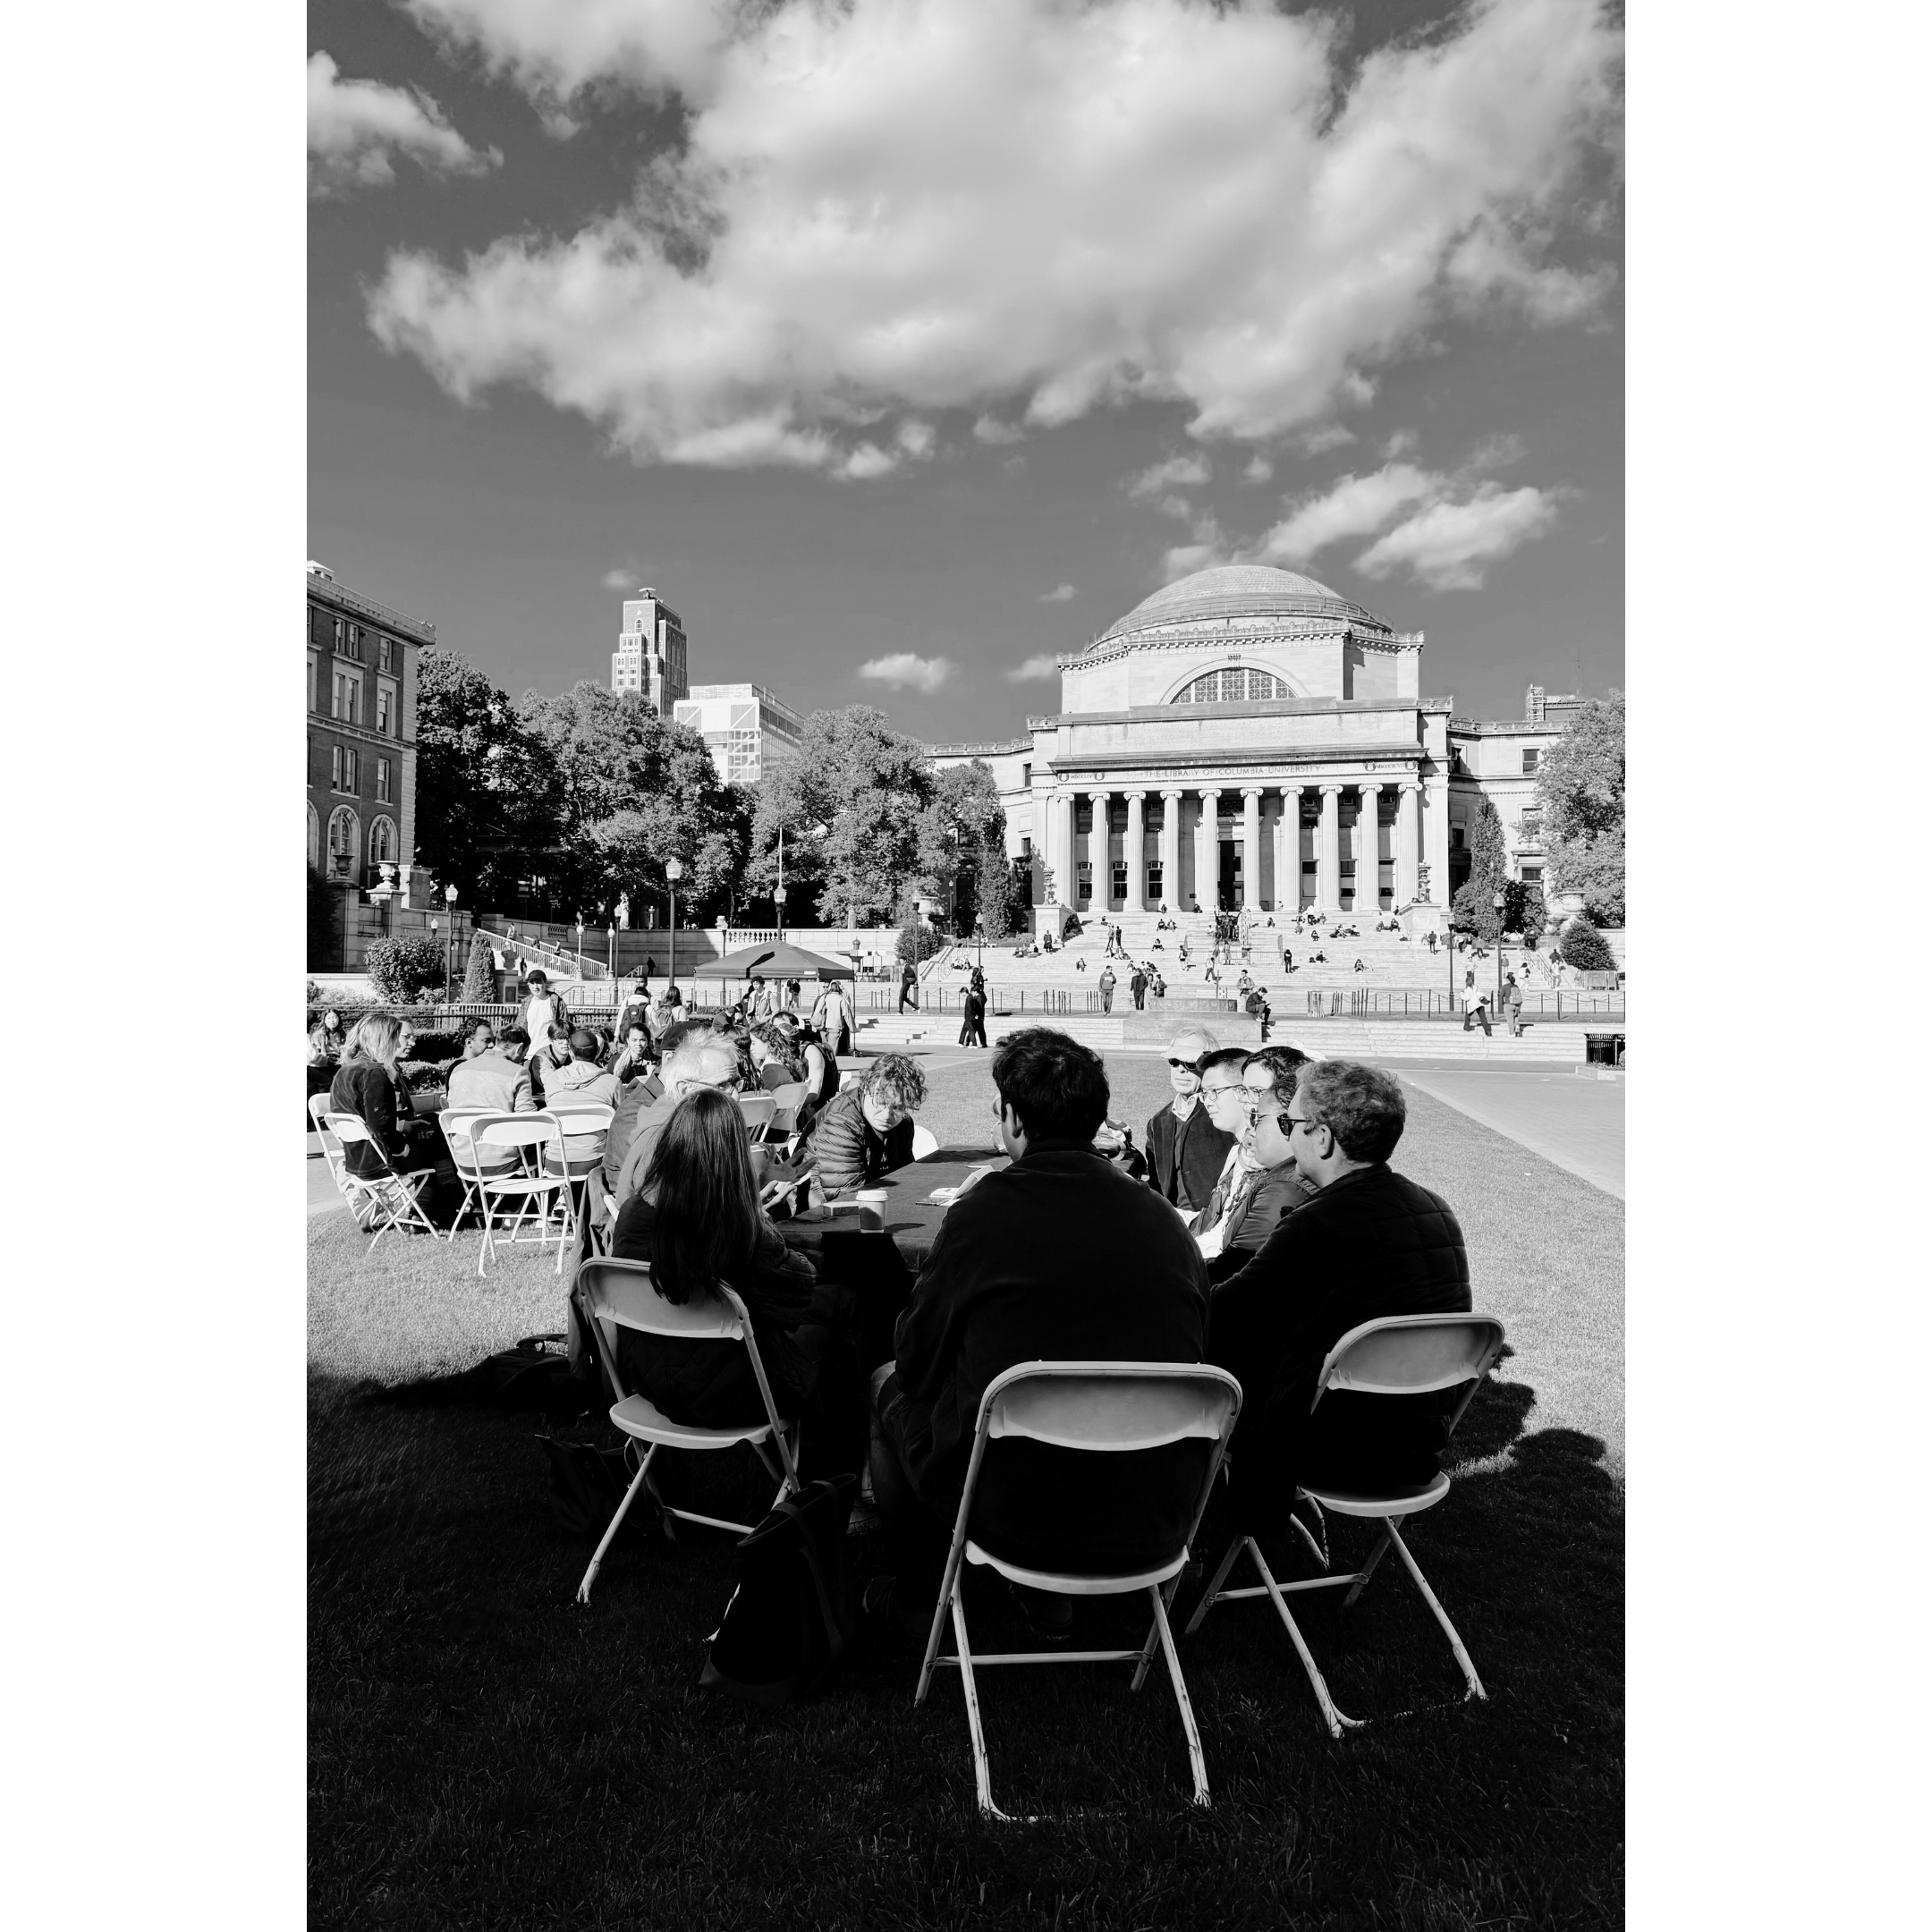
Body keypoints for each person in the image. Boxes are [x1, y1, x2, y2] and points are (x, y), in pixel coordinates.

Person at [863, 1029, 1211, 1642]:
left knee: (888, 1387)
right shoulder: (1164, 1222)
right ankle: (1044, 1599)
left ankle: (921, 1598)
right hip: (1154, 1502)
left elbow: (915, 1364)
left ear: (1015, 1120)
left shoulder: (983, 1215)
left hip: (1010, 1505)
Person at [1207, 1062, 1472, 1538]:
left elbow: (1221, 1318)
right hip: (1416, 1450)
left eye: (1289, 1124)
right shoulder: (1436, 1209)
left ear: (1324, 1138)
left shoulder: (1318, 1223)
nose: (1285, 1136)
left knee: (1200, 1363)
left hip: (1326, 1450)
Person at [603, 1087, 867, 1486]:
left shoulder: (636, 1211)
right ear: (731, 1152)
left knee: (819, 1314)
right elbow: (797, 1291)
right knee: (847, 1308)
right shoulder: (729, 1227)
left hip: (653, 1383)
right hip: (731, 1394)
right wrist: (758, 1216)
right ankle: (841, 1474)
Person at [1194, 1046, 1318, 1270]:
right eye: (1244, 1090)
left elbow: (1237, 1267)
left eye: (1258, 1091)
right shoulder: (1245, 1151)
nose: (1247, 1102)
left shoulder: (1286, 1180)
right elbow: (1218, 1226)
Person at [608, 1024, 744, 1211]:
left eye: (737, 1084)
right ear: (684, 1089)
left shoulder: (693, 1122)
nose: (735, 1096)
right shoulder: (662, 1139)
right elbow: (671, 1224)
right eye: (723, 1086)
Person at [328, 1011, 447, 1193]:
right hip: (381, 1162)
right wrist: (403, 1149)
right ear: (384, 1038)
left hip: (358, 1161)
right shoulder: (374, 1072)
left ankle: (431, 1208)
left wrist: (401, 1126)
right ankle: (438, 1206)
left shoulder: (346, 1070)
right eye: (396, 1036)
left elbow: (365, 1119)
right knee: (438, 1145)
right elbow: (380, 1127)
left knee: (431, 1125)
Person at [806, 1053, 928, 1197]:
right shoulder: (840, 1123)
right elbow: (846, 1198)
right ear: (866, 1087)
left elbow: (905, 1177)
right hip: (820, 1208)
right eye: (881, 1103)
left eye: (898, 1107)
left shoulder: (904, 1124)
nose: (887, 1115)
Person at [1144, 1027, 1236, 1216]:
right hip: (1171, 1221)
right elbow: (1155, 1184)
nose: (1181, 1069)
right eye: (1174, 1061)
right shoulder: (1158, 1122)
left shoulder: (1226, 1112)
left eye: (1191, 1063)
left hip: (1214, 1222)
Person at [542, 1028, 620, 1177]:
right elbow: (620, 1123)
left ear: (571, 1053)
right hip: (594, 1160)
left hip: (555, 1161)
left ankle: (562, 1197)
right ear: (597, 1053)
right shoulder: (612, 1082)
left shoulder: (551, 1080)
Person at [448, 1024, 537, 1116]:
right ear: (519, 1048)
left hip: (460, 1128)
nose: (523, 1058)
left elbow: (451, 1107)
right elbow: (526, 1115)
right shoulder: (519, 1073)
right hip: (498, 1129)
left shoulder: (458, 1070)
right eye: (524, 1054)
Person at [513, 969, 569, 1044]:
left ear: (545, 982)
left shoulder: (557, 1002)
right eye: (532, 983)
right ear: (528, 984)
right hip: (529, 1052)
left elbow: (565, 1028)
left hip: (549, 1052)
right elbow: (519, 1027)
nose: (535, 987)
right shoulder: (526, 1003)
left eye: (539, 983)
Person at [958, 977, 988, 1049]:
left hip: (977, 1016)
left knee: (975, 1029)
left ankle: (975, 1043)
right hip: (978, 1015)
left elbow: (977, 1006)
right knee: (973, 1029)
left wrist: (975, 1014)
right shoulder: (980, 994)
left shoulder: (977, 995)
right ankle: (971, 1042)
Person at [1462, 970, 1491, 1037]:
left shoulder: (1467, 990)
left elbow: (1466, 998)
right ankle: (1487, 1031)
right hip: (1479, 1004)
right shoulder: (1476, 987)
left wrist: (1461, 994)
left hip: (1472, 1005)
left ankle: (1466, 1026)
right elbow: (1481, 992)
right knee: (1483, 1018)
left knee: (1468, 1015)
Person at [1504, 973, 1524, 1038]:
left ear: (1507, 980)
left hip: (1509, 1004)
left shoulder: (1505, 986)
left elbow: (1501, 996)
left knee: (1510, 1019)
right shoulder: (1516, 986)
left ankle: (1512, 1033)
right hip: (1517, 1004)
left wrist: (1502, 1004)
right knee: (1516, 1016)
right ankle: (1517, 1025)